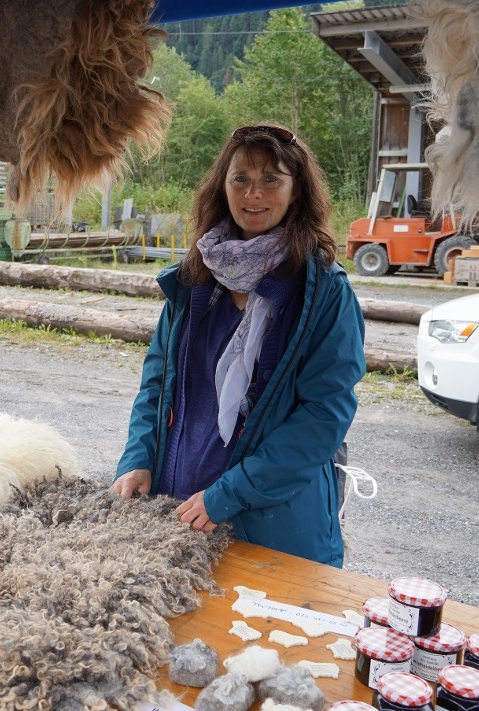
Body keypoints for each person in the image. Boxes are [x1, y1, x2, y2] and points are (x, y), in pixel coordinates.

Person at [111, 124, 366, 567]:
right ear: (222, 186)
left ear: (296, 191)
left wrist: (229, 495)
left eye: (272, 180)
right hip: (181, 506)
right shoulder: (195, 276)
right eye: (241, 179)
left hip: (270, 524)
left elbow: (324, 417)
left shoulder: (322, 291)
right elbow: (158, 383)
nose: (254, 193)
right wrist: (138, 457)